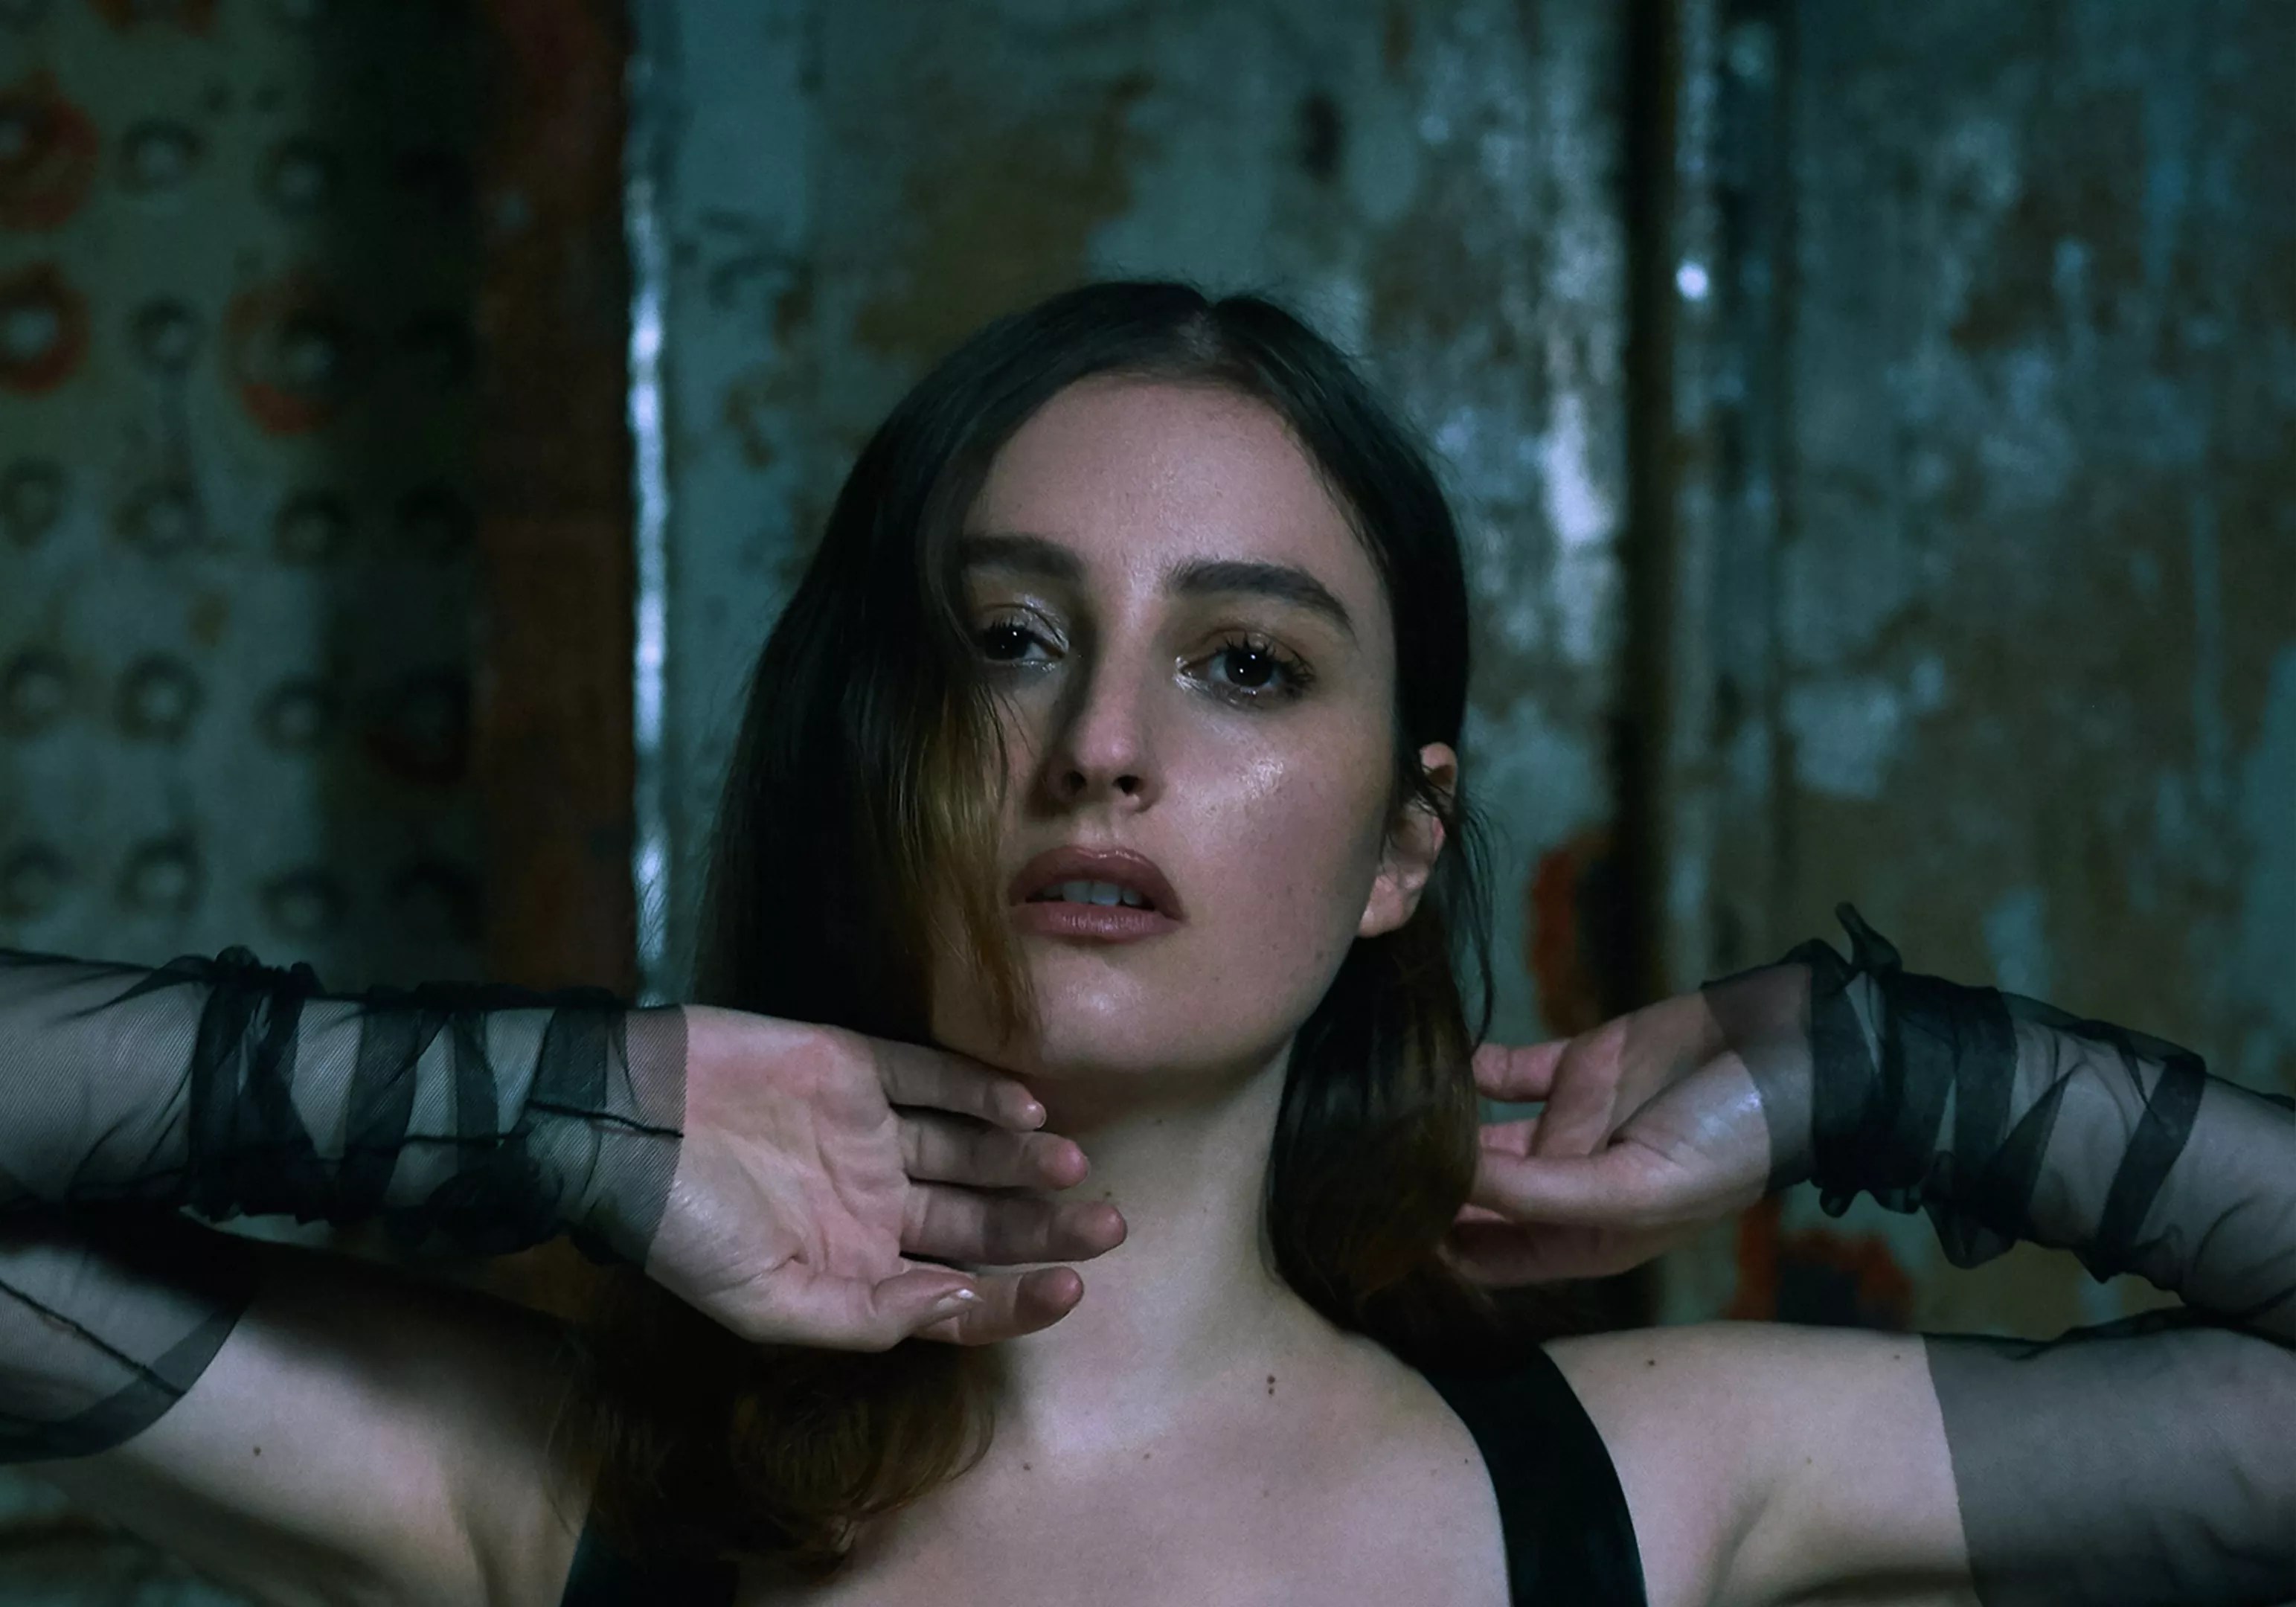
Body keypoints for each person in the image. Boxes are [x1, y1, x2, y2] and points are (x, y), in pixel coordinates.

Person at [1, 281, 2288, 1607]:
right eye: (1006, 639)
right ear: (869, 753)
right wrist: (557, 1104)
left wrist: (1872, 1065)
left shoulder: (1643, 1479)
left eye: (1246, 665)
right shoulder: (556, 1486)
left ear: (1403, 846)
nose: (1099, 745)